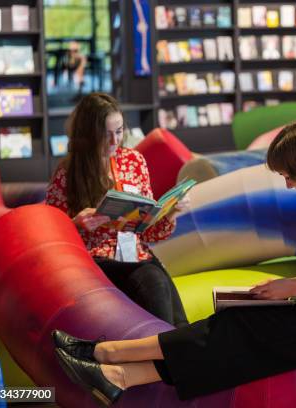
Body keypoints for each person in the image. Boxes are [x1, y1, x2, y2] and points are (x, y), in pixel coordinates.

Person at [51, 120, 296, 405]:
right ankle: (117, 371)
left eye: (290, 176)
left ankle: (110, 356)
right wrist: (295, 290)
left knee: (238, 329)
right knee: (235, 319)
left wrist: (294, 288)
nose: (288, 185)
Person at [45, 92, 188, 328]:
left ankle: (175, 354)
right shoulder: (67, 172)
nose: (115, 141)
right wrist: (75, 224)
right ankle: (166, 354)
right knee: (154, 281)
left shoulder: (134, 161)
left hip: (135, 254)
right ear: (89, 134)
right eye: (106, 134)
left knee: (170, 302)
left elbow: (149, 234)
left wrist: (169, 214)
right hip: (97, 260)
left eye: (120, 131)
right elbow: (50, 234)